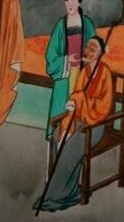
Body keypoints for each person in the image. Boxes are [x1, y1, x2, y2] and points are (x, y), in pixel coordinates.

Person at [36, 37, 114, 212]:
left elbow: (103, 107)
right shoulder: (84, 72)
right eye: (88, 47)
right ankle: (67, 191)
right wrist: (74, 104)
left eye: (93, 49)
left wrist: (80, 101)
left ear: (100, 53)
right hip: (80, 118)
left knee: (71, 146)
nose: (88, 51)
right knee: (57, 136)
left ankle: (55, 196)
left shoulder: (105, 73)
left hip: (96, 124)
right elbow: (76, 95)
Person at [44, 0, 96, 146]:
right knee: (62, 116)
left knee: (80, 117)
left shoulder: (87, 24)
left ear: (79, 0)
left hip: (82, 77)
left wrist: (85, 59)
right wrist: (67, 60)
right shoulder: (60, 26)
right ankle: (59, 149)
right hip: (64, 78)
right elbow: (51, 56)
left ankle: (76, 149)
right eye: (66, 0)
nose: (70, 4)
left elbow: (94, 50)